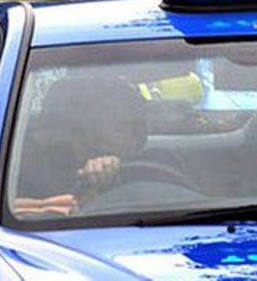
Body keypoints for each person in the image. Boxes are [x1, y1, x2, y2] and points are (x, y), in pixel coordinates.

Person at [14, 77, 158, 217]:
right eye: (121, 127)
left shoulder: (153, 162)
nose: (132, 137)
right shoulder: (18, 158)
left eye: (137, 127)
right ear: (89, 122)